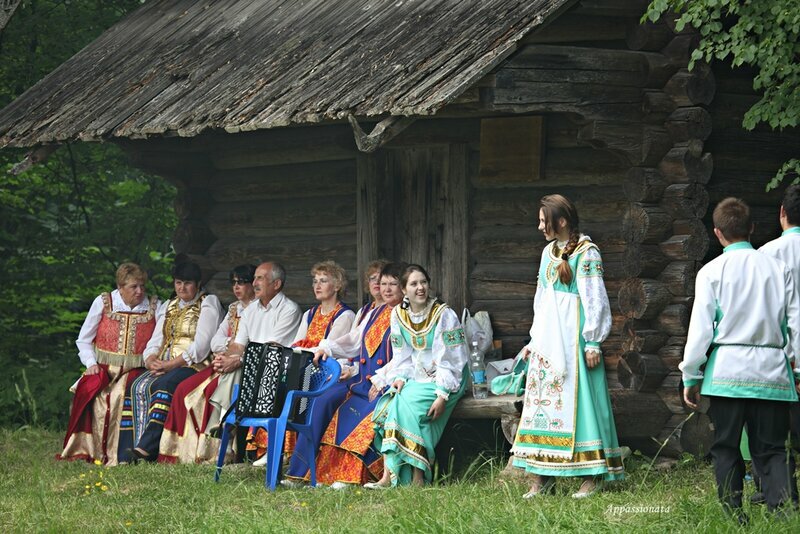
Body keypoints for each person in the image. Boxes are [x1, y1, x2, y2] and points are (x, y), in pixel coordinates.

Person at [681, 197, 800, 519]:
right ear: (752, 228)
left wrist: (691, 375)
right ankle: (783, 513)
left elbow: (701, 330)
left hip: (726, 375)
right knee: (774, 447)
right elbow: (796, 323)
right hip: (772, 373)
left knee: (725, 447)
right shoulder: (779, 269)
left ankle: (734, 514)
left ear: (717, 233)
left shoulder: (710, 272)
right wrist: (798, 367)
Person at [511, 194, 623, 498]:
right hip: (549, 338)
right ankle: (542, 476)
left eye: (543, 221)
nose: (539, 227)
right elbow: (540, 298)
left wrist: (593, 341)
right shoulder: (548, 252)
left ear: (560, 221)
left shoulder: (587, 253)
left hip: (573, 338)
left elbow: (595, 299)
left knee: (580, 402)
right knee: (541, 404)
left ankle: (591, 474)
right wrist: (535, 339)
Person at [368, 264, 468, 487]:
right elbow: (402, 355)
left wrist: (442, 395)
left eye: (423, 282)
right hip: (417, 374)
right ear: (404, 289)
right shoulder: (398, 314)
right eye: (413, 284)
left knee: (404, 405)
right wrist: (401, 377)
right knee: (390, 404)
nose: (420, 288)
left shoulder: (444, 314)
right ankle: (399, 476)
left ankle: (412, 476)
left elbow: (452, 359)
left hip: (449, 376)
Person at [249, 261, 354, 465]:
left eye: (323, 281)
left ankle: (287, 450)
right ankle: (275, 447)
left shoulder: (344, 315)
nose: (317, 285)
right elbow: (297, 345)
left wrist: (306, 353)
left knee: (294, 387)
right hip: (306, 366)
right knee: (278, 381)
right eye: (315, 281)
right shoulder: (310, 314)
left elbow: (330, 348)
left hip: (327, 372)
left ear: (338, 285)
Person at [310, 261, 405, 488]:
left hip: (389, 383)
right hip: (365, 383)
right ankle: (329, 473)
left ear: (403, 287)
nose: (387, 289)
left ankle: (353, 476)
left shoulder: (405, 314)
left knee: (365, 423)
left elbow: (405, 357)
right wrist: (328, 347)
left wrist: (382, 378)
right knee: (342, 417)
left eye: (393, 284)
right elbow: (354, 341)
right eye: (383, 284)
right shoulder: (375, 312)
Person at [58, 263, 161, 466]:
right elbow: (83, 339)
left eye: (142, 286)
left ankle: (120, 456)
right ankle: (87, 450)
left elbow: (161, 338)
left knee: (119, 396)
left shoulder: (155, 306)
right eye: (134, 286)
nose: (140, 291)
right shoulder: (104, 302)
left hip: (137, 369)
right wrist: (90, 363)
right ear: (120, 287)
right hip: (104, 367)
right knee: (92, 391)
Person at [157, 264, 256, 464]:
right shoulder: (233, 309)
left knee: (202, 395)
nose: (236, 287)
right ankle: (179, 452)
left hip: (243, 366)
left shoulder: (257, 309)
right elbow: (215, 341)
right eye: (234, 282)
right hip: (222, 362)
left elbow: (254, 343)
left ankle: (216, 450)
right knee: (183, 389)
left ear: (253, 284)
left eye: (242, 282)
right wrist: (227, 348)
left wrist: (233, 351)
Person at [127, 261, 222, 462]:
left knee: (164, 385)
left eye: (187, 283)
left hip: (195, 365)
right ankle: (131, 446)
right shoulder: (168, 305)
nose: (182, 288)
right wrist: (151, 358)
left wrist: (170, 365)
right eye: (178, 283)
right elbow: (156, 339)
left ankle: (148, 448)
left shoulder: (207, 303)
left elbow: (202, 345)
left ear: (197, 284)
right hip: (164, 364)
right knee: (135, 384)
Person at [224, 261, 302, 460]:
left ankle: (227, 424)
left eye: (260, 278)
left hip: (277, 369)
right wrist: (227, 359)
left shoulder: (289, 309)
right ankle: (227, 428)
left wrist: (239, 360)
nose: (254, 282)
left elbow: (273, 348)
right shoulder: (250, 310)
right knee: (227, 371)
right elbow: (239, 344)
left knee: (234, 372)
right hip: (251, 365)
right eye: (255, 278)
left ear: (276, 284)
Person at [353, 259, 389, 327]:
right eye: (373, 278)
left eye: (381, 278)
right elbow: (353, 335)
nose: (377, 282)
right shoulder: (363, 311)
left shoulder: (393, 309)